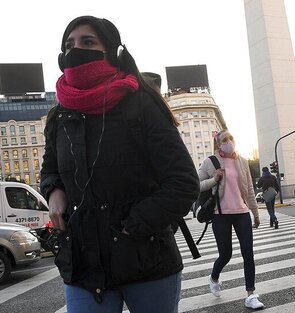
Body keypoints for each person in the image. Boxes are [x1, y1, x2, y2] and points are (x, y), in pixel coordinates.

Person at [40, 16, 199, 313]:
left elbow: (183, 182)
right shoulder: (59, 116)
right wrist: (54, 192)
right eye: (70, 45)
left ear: (113, 52)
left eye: (88, 42)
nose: (77, 50)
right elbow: (49, 170)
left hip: (146, 258)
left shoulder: (141, 105)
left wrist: (129, 228)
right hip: (85, 266)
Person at [198, 130, 264, 309]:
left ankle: (251, 295)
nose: (229, 142)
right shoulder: (210, 162)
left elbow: (249, 189)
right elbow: (196, 185)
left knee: (248, 253)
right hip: (221, 216)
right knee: (225, 254)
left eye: (231, 138)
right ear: (218, 145)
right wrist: (214, 179)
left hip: (242, 213)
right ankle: (214, 277)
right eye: (224, 140)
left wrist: (255, 214)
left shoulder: (242, 161)